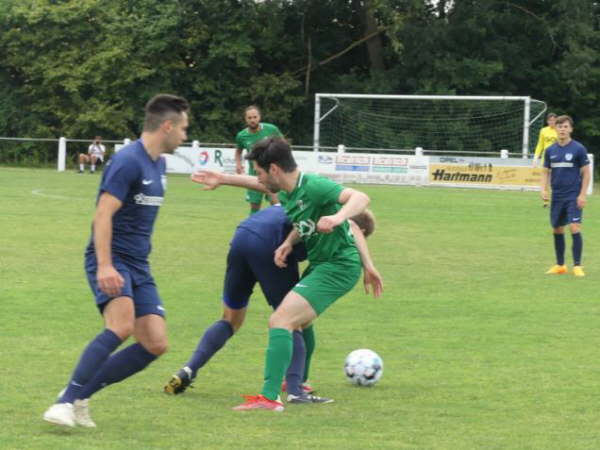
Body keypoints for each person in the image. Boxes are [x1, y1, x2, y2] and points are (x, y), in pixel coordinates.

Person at [192, 136, 383, 412]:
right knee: (300, 323)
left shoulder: (314, 185)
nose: (258, 178)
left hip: (339, 266)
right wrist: (288, 242)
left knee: (280, 320)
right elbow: (289, 210)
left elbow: (361, 198)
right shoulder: (288, 192)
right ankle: (298, 384)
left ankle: (269, 399)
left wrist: (339, 217)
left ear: (274, 170)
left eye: (259, 171)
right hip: (321, 265)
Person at [43, 94, 190, 428]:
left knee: (155, 343)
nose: (184, 135)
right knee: (121, 326)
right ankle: (64, 403)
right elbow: (103, 214)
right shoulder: (128, 161)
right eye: (183, 128)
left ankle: (79, 395)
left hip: (139, 263)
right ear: (166, 126)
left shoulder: (160, 164)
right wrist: (106, 264)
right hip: (112, 257)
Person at [164, 204, 377, 405]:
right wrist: (368, 265)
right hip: (272, 245)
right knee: (289, 321)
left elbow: (261, 184)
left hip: (242, 235)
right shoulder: (333, 215)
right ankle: (296, 390)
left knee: (231, 319)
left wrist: (223, 179)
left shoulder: (294, 197)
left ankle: (188, 370)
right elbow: (354, 227)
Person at [540, 115, 590, 277]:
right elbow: (545, 172)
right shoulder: (550, 151)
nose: (562, 129)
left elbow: (586, 173)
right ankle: (560, 265)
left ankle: (577, 266)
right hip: (557, 196)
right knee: (557, 229)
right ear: (555, 129)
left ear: (571, 129)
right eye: (560, 126)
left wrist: (582, 194)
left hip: (573, 195)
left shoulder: (578, 149)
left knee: (574, 227)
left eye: (565, 126)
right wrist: (544, 189)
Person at [235, 105, 283, 214]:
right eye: (249, 118)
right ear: (245, 119)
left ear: (259, 117)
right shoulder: (241, 136)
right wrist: (238, 164)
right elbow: (238, 151)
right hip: (254, 175)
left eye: (255, 117)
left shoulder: (271, 129)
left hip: (272, 174)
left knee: (276, 205)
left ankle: (278, 229)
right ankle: (253, 229)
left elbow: (283, 145)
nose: (252, 120)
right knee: (255, 207)